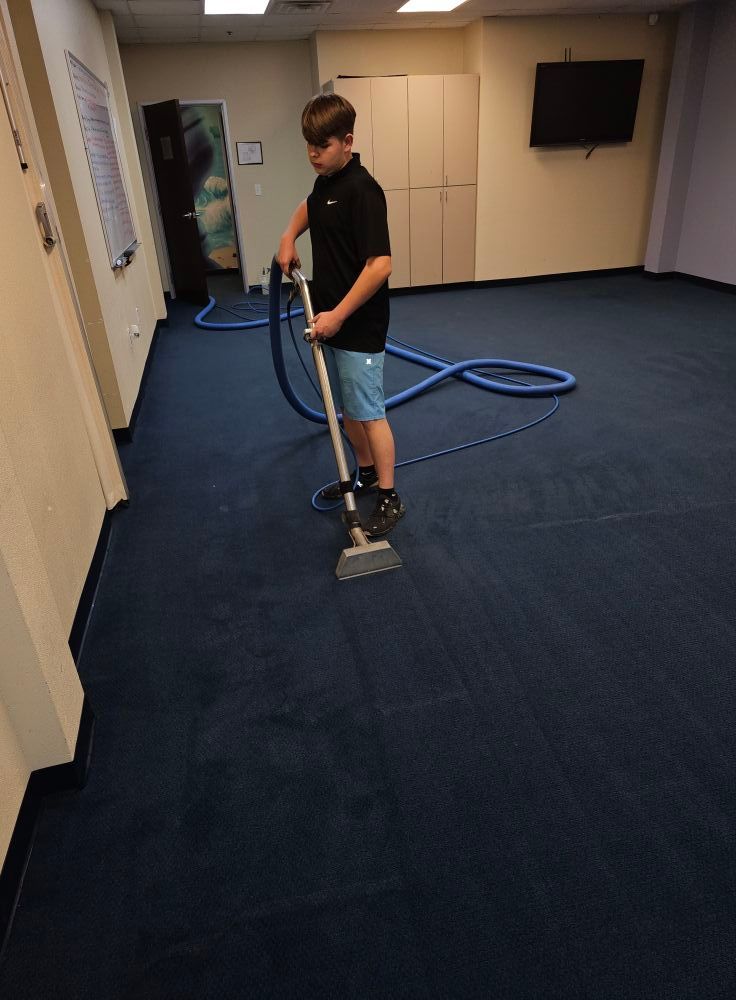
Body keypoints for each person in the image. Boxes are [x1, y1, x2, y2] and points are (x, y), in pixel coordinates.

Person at [277, 93, 405, 537]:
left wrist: (338, 317)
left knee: (369, 411)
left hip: (358, 322)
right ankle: (365, 472)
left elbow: (380, 265)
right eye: (308, 145)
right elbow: (308, 208)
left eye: (322, 145)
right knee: (347, 409)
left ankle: (389, 495)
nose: (313, 153)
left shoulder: (363, 190)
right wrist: (288, 236)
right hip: (328, 317)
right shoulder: (325, 183)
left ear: (347, 141)